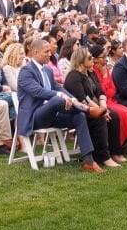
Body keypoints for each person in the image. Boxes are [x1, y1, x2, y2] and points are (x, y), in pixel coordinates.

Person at [18, 37, 103, 167]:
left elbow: (58, 87)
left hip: (52, 114)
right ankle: (87, 110)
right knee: (58, 99)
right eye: (46, 52)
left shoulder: (47, 69)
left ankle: (89, 161)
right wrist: (62, 96)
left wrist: (72, 99)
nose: (50, 54)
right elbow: (38, 91)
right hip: (34, 117)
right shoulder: (26, 71)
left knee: (78, 116)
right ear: (35, 52)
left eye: (50, 51)